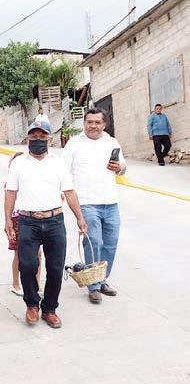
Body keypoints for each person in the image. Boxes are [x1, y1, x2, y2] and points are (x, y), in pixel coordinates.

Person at [4, 119, 88, 329]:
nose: (38, 140)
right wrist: (7, 220)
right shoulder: (18, 163)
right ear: (27, 139)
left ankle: (49, 309)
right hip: (28, 221)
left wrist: (80, 218)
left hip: (54, 221)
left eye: (42, 137)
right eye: (34, 136)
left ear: (50, 139)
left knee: (55, 267)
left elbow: (69, 191)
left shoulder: (58, 163)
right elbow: (10, 192)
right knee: (27, 265)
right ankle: (32, 304)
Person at [63, 108, 126, 304]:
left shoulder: (112, 142)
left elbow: (123, 168)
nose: (93, 126)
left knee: (110, 243)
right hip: (86, 202)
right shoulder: (74, 144)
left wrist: (119, 168)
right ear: (84, 123)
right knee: (94, 242)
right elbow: (63, 173)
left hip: (111, 202)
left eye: (97, 122)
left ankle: (102, 279)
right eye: (89, 122)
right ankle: (93, 286)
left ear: (104, 125)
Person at [6, 152, 42, 297]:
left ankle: (36, 284)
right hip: (18, 219)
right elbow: (9, 203)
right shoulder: (11, 183)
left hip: (34, 219)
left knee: (38, 253)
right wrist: (8, 222)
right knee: (19, 253)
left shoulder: (35, 180)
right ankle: (16, 284)